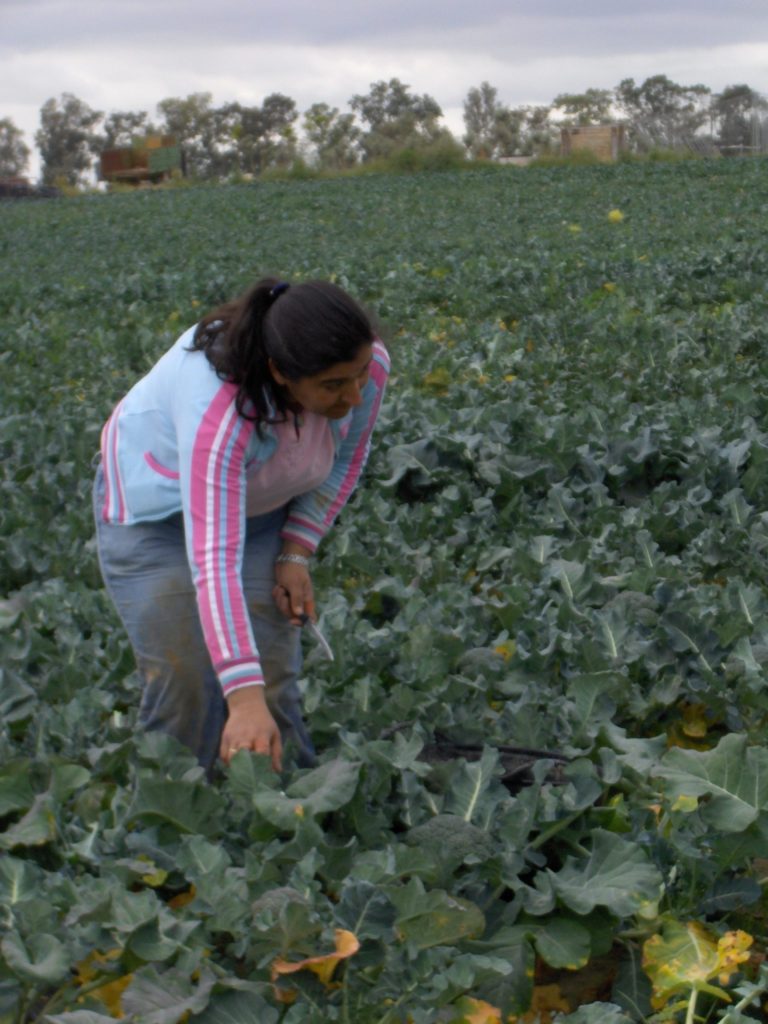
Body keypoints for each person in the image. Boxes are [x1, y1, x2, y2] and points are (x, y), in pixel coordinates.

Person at [93, 277, 390, 774]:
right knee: (185, 675)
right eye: (334, 386)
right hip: (156, 519)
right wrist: (242, 700)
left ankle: (289, 809)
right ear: (279, 373)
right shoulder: (220, 412)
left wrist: (297, 550)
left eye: (359, 376)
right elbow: (214, 561)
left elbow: (344, 460)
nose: (354, 396)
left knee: (271, 669)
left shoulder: (368, 364)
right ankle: (180, 815)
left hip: (258, 503)